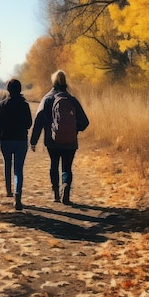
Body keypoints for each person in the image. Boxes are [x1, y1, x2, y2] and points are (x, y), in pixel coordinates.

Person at [30, 70, 89, 205]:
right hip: (70, 141)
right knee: (67, 167)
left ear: (53, 82)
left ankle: (56, 193)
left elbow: (38, 121)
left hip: (52, 140)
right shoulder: (72, 99)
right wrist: (74, 129)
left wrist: (33, 141)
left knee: (54, 164)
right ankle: (66, 185)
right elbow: (85, 122)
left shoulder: (47, 99)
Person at [0, 78, 33, 211]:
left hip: (6, 140)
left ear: (8, 90)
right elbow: (29, 123)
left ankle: (8, 190)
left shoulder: (3, 104)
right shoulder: (24, 105)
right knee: (18, 169)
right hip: (21, 140)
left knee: (7, 164)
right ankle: (17, 195)